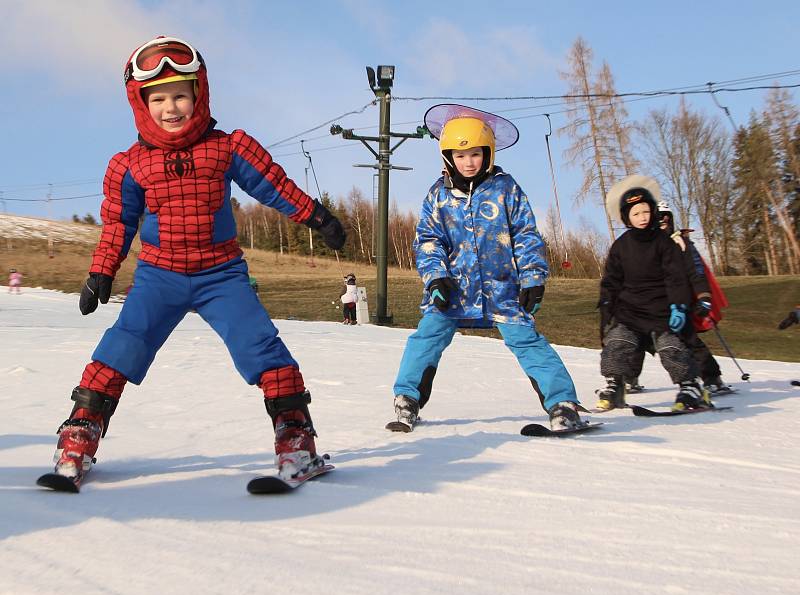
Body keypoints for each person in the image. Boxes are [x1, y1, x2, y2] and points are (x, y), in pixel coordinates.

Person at [44, 36, 345, 484]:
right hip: (158, 276)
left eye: (181, 95)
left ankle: (296, 439)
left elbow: (272, 184)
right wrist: (101, 271)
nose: (171, 108)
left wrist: (316, 216)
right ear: (141, 103)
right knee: (123, 344)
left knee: (259, 344)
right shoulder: (128, 165)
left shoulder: (229, 147)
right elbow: (116, 222)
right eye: (159, 98)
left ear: (199, 94)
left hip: (220, 274)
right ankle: (80, 435)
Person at [389, 104, 587, 432]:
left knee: (528, 341)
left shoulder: (506, 189)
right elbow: (428, 240)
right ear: (448, 156)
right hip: (454, 289)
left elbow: (525, 234)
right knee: (427, 337)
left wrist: (533, 277)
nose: (469, 162)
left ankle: (562, 404)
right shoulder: (438, 196)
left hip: (503, 289)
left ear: (489, 153)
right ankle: (407, 399)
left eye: (477, 154)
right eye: (461, 155)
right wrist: (436, 277)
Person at [596, 175, 712, 412]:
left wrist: (679, 306)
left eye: (646, 212)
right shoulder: (621, 246)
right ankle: (615, 385)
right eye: (636, 213)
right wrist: (607, 303)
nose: (642, 217)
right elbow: (612, 279)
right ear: (626, 217)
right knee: (617, 342)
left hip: (662, 309)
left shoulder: (664, 242)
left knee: (671, 347)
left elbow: (676, 277)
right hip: (630, 309)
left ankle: (691, 387)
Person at [625, 200, 730, 394]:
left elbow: (696, 272)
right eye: (660, 216)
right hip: (652, 302)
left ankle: (711, 377)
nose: (664, 220)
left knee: (686, 337)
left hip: (678, 300)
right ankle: (629, 379)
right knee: (638, 338)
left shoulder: (681, 243)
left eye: (667, 216)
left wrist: (704, 297)